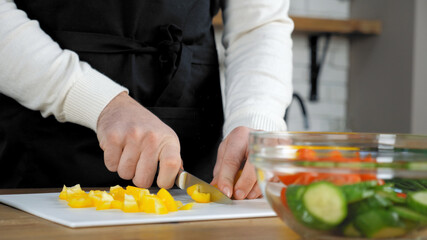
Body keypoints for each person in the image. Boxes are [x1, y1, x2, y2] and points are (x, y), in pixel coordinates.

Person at [0, 0, 293, 200]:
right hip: (37, 143)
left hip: (194, 138)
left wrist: (257, 116)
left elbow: (260, 24)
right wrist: (94, 100)